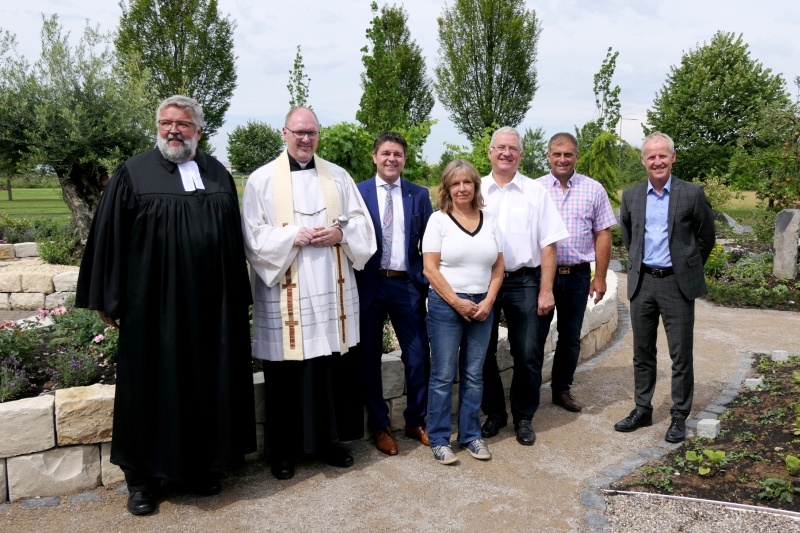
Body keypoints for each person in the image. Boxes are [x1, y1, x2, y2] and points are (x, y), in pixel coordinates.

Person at [76, 95, 256, 516]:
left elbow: (232, 242)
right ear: (157, 127)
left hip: (211, 310)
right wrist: (108, 296)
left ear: (199, 130)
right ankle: (142, 480)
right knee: (150, 389)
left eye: (183, 124)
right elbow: (109, 238)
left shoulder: (218, 173)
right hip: (153, 308)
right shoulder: (133, 173)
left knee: (205, 385)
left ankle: (199, 468)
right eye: (166, 123)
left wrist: (237, 297)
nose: (174, 130)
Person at [242, 107, 376, 480]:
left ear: (319, 135)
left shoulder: (338, 176)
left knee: (330, 370)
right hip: (287, 294)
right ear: (284, 133)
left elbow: (362, 223)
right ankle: (283, 453)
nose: (305, 139)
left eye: (312, 133)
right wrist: (291, 235)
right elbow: (251, 237)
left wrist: (340, 234)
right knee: (287, 376)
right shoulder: (261, 180)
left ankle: (330, 444)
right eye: (298, 132)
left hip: (332, 295)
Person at [615, 131, 715, 443]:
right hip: (642, 283)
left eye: (663, 155)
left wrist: (686, 265)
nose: (657, 161)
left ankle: (679, 416)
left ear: (672, 158)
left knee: (680, 354)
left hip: (676, 284)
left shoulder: (691, 193)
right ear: (643, 161)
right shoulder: (631, 196)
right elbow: (630, 237)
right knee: (642, 352)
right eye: (651, 156)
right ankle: (642, 409)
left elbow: (706, 238)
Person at [479, 126, 569, 446]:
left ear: (521, 154)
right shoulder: (474, 190)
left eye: (513, 148)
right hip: (483, 281)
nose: (506, 153)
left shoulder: (536, 192)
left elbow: (549, 245)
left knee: (529, 352)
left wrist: (547, 290)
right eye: (500, 147)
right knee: (482, 351)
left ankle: (523, 416)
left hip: (525, 281)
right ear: (489, 152)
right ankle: (494, 413)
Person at [355, 132, 433, 455]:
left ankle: (415, 419)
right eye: (385, 153)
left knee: (417, 357)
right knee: (368, 358)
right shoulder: (357, 193)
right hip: (370, 284)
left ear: (404, 159)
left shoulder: (419, 195)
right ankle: (381, 425)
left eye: (397, 154)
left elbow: (430, 243)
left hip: (406, 285)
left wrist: (426, 282)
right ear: (374, 156)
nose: (391, 159)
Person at [422, 159, 504, 465]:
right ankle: (440, 438)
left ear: (475, 186)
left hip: (482, 306)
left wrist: (488, 301)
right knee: (443, 376)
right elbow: (430, 268)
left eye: (467, 182)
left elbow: (498, 266)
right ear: (447, 188)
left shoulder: (490, 218)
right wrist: (457, 302)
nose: (461, 188)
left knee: (474, 375)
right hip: (447, 306)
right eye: (455, 184)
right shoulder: (438, 221)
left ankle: (470, 435)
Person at [534, 132, 617, 412]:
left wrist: (601, 276)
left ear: (576, 157)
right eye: (557, 154)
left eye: (568, 154)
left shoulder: (593, 189)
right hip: (543, 277)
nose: (562, 159)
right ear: (548, 156)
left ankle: (561, 390)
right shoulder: (535, 190)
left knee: (570, 337)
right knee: (535, 337)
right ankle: (530, 392)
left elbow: (603, 234)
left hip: (579, 276)